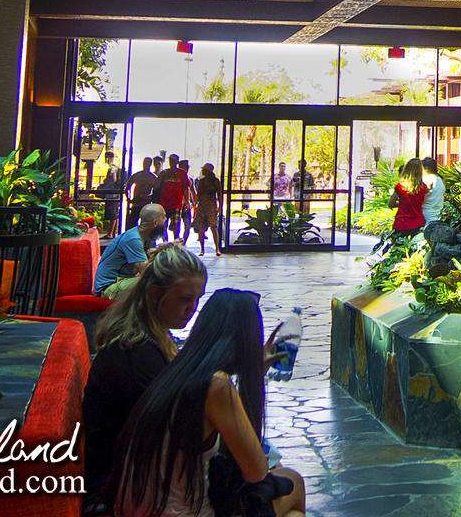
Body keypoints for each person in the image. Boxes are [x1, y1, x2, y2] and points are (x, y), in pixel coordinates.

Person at [111, 288, 306, 517]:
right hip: (175, 511)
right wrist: (252, 379)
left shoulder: (179, 367)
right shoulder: (216, 385)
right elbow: (256, 472)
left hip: (138, 508)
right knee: (294, 484)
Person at [80, 245, 207, 510]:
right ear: (154, 294)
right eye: (185, 299)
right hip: (118, 489)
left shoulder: (149, 335)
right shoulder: (135, 351)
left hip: (139, 474)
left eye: (198, 299)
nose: (192, 309)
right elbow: (182, 428)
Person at [96, 204, 168, 299]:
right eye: (163, 217)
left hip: (123, 280)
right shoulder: (133, 239)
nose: (166, 219)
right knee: (155, 284)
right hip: (108, 287)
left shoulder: (149, 238)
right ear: (155, 223)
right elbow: (146, 271)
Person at [389, 158, 428, 239]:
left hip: (401, 224)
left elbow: (391, 204)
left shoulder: (401, 186)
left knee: (397, 249)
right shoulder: (423, 187)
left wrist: (401, 204)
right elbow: (422, 203)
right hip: (418, 223)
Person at [159, 154, 190, 244]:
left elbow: (186, 188)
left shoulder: (182, 173)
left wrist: (187, 201)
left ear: (177, 162)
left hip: (177, 203)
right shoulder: (164, 172)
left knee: (176, 225)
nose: (171, 162)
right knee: (163, 225)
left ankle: (175, 242)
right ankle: (165, 242)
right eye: (170, 160)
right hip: (164, 203)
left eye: (173, 160)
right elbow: (158, 186)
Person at [193, 162, 222, 255]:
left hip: (211, 206)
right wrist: (195, 205)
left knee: (213, 227)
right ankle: (202, 249)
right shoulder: (201, 181)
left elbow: (220, 195)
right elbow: (198, 194)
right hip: (202, 206)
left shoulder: (216, 182)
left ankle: (217, 248)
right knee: (201, 228)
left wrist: (220, 207)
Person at [128, 158, 160, 232]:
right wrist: (129, 198)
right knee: (132, 223)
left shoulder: (153, 177)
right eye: (144, 163)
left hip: (146, 204)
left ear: (150, 164)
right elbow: (127, 187)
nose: (145, 165)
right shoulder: (137, 175)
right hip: (136, 202)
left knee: (146, 224)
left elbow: (157, 191)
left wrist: (150, 198)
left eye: (147, 163)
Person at [419, 156, 445, 228]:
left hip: (427, 215)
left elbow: (420, 199)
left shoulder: (426, 180)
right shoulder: (440, 179)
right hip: (439, 215)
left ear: (425, 169)